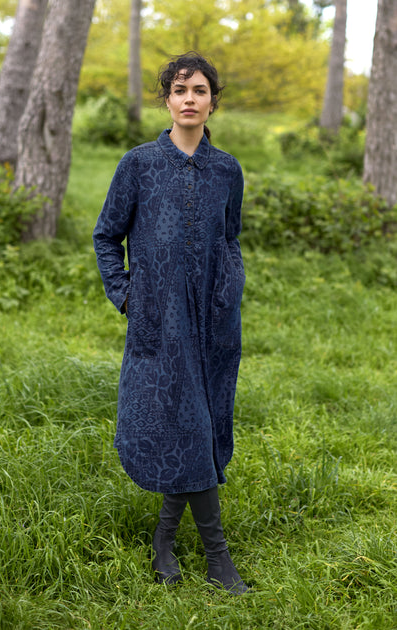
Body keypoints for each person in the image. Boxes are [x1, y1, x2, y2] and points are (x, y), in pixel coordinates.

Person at [93, 52, 248, 595]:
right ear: (167, 99)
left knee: (200, 427)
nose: (189, 99)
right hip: (159, 320)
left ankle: (164, 539)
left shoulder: (227, 169)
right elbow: (106, 236)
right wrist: (128, 296)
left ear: (212, 102)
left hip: (215, 320)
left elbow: (230, 238)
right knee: (188, 425)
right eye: (180, 89)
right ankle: (217, 559)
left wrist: (231, 286)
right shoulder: (138, 164)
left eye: (200, 90)